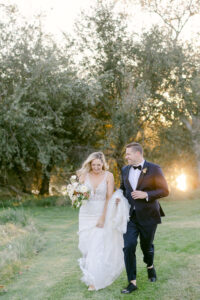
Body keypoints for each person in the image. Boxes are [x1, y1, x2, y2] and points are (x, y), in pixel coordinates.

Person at [120, 142, 169, 294]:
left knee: (146, 247)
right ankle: (132, 282)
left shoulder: (154, 168)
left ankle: (150, 266)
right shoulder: (125, 169)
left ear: (138, 154)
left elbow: (165, 190)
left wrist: (146, 195)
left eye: (128, 154)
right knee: (128, 246)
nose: (126, 156)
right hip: (130, 217)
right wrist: (117, 197)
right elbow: (123, 189)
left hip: (148, 215)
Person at [77, 152, 129, 291]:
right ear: (90, 164)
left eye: (98, 165)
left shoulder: (108, 176)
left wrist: (103, 217)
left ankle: (94, 281)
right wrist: (75, 197)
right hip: (85, 213)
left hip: (101, 212)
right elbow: (78, 193)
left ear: (103, 164)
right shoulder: (84, 176)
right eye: (93, 165)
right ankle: (90, 274)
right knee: (87, 246)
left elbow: (108, 197)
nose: (96, 167)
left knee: (97, 245)